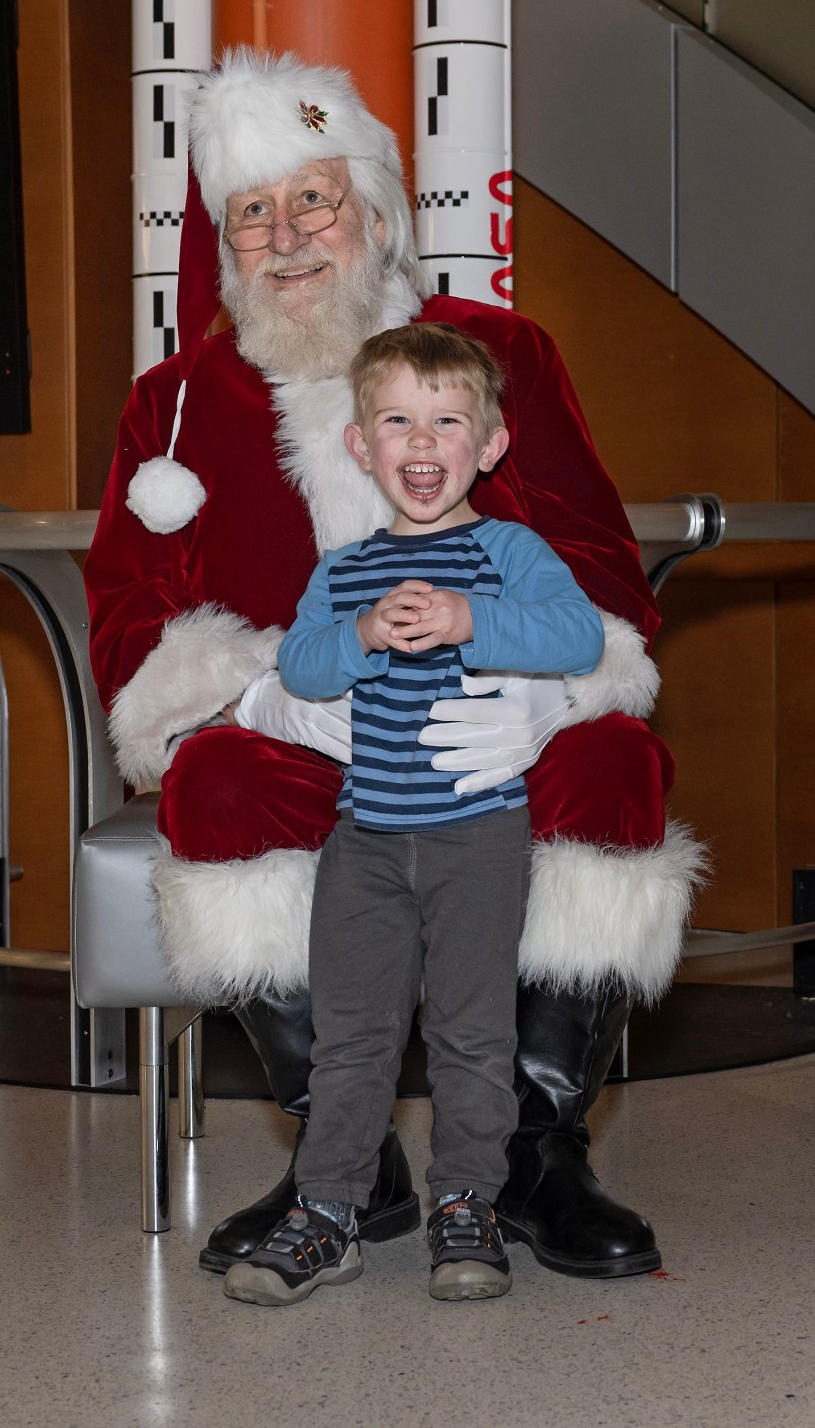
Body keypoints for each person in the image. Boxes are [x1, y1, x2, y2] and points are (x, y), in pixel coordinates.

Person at [84, 48, 705, 1282]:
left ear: (372, 209)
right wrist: (272, 699)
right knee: (216, 785)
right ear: (223, 246)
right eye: (251, 212)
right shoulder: (172, 402)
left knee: (612, 760)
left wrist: (533, 700)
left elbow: (593, 565)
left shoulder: (496, 351)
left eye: (310, 197)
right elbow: (131, 610)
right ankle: (348, 1161)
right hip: (305, 719)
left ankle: (536, 1155)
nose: (285, 233)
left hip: (499, 724)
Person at [221, 323, 604, 1306]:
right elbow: (300, 665)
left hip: (478, 831)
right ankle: (329, 1210)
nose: (421, 443)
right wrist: (355, 632)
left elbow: (573, 634)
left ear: (488, 446)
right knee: (349, 1035)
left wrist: (475, 619)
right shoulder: (344, 567)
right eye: (396, 421)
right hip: (367, 838)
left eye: (446, 422)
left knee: (473, 1033)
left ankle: (467, 1201)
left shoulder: (508, 549)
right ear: (360, 444)